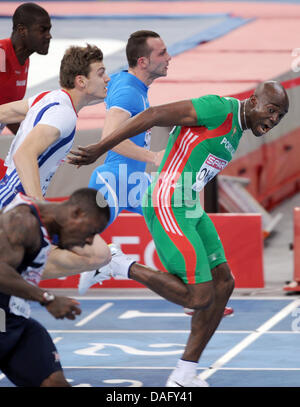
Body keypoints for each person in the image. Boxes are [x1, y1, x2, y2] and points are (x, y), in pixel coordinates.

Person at [68, 81, 289, 386]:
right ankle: (115, 264)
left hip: (189, 205)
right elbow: (156, 114)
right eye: (272, 110)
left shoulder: (238, 129)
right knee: (199, 296)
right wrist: (101, 147)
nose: (274, 119)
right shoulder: (219, 108)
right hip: (167, 201)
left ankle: (185, 374)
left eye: (281, 117)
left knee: (224, 283)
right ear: (253, 101)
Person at [0, 43, 111, 281]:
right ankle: (18, 272)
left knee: (99, 254)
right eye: (101, 73)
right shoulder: (64, 115)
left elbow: (2, 113)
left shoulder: (48, 97)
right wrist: (37, 206)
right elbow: (24, 154)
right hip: (16, 199)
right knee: (98, 255)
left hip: (11, 190)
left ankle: (19, 270)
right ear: (81, 81)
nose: (108, 78)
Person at [78, 30, 170, 292]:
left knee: (175, 217)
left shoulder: (124, 82)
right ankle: (108, 260)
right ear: (142, 62)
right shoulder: (129, 93)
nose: (169, 57)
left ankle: (195, 288)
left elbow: (106, 89)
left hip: (133, 182)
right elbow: (110, 137)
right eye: (162, 53)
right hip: (115, 181)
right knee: (72, 243)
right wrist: (154, 156)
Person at [0, 187, 110, 387]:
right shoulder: (22, 221)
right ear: (76, 213)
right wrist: (47, 298)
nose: (89, 241)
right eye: (91, 232)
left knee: (54, 382)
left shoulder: (44, 223)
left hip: (15, 319)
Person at [0, 2, 52, 135]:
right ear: (22, 30)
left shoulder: (24, 60)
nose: (49, 36)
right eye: (42, 30)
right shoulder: (1, 55)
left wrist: (31, 140)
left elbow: (7, 112)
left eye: (49, 30)